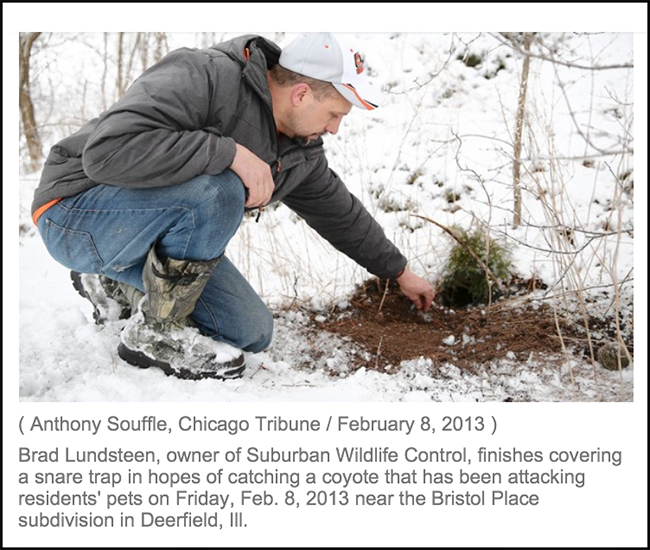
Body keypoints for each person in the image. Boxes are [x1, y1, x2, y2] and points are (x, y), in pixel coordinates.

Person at [31, 32, 435, 380]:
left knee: (250, 330)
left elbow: (339, 212)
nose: (334, 127)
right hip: (73, 213)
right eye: (334, 114)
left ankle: (113, 283)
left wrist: (398, 271)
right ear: (301, 93)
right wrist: (228, 153)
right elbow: (106, 152)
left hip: (141, 235)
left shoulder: (300, 150)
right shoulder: (205, 74)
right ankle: (156, 332)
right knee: (220, 189)